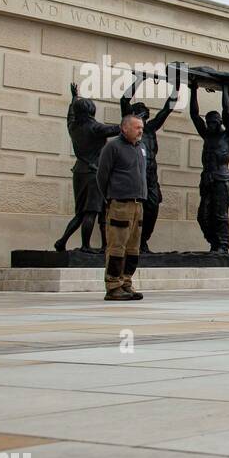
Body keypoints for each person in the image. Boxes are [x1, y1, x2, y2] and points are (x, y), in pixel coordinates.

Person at [54, 82, 121, 252]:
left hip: (79, 172)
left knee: (80, 213)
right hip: (93, 173)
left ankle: (62, 241)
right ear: (92, 110)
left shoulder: (73, 127)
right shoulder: (95, 127)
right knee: (91, 211)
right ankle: (85, 245)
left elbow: (69, 116)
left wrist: (73, 98)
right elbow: (116, 129)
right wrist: (133, 122)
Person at [121, 68, 178, 253]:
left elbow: (167, 108)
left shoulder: (151, 128)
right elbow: (124, 100)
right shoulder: (129, 126)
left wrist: (177, 87)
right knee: (135, 210)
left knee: (152, 209)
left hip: (152, 178)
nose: (146, 111)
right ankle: (133, 243)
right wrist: (139, 80)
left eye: (146, 110)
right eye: (142, 110)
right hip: (137, 176)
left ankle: (143, 241)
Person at [96, 113, 150, 301]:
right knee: (117, 247)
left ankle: (126, 283)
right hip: (120, 204)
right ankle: (113, 285)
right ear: (124, 128)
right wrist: (111, 198)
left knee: (133, 248)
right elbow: (101, 176)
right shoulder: (112, 147)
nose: (141, 131)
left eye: (142, 128)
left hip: (138, 205)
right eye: (137, 128)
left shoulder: (141, 147)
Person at [189, 80, 229, 253]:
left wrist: (225, 90)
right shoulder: (207, 136)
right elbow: (194, 115)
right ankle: (215, 242)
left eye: (213, 122)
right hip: (207, 179)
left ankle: (223, 245)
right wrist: (193, 90)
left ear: (219, 122)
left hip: (221, 179)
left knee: (220, 215)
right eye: (208, 122)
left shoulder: (228, 136)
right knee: (203, 216)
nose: (209, 125)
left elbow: (228, 112)